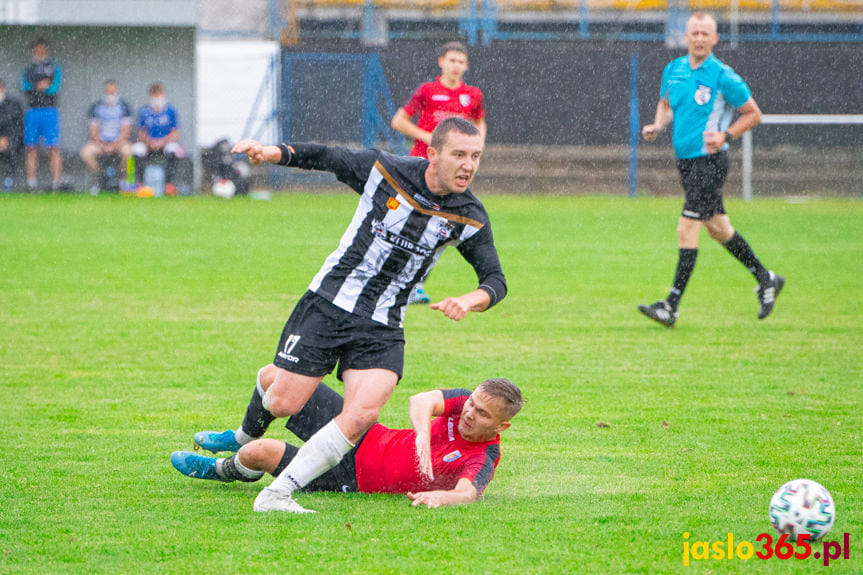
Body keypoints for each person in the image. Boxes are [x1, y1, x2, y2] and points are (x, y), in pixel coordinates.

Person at [194, 116, 507, 513]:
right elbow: (329, 157)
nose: (468, 165)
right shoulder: (386, 171)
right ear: (432, 153)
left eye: (475, 156)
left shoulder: (470, 215)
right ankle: (243, 436)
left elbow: (495, 280)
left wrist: (471, 300)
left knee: (362, 413)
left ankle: (276, 494)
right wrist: (273, 153)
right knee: (283, 401)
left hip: (383, 323)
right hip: (328, 303)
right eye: (459, 154)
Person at [172, 378, 522, 511]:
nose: (469, 413)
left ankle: (225, 469)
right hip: (362, 432)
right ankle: (238, 435)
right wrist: (421, 436)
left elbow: (468, 492)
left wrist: (440, 496)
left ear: (501, 426)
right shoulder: (464, 403)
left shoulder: (484, 454)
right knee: (274, 378)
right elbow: (420, 400)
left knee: (257, 454)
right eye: (472, 403)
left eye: (482, 414)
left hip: (348, 476)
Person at [638, 12, 784, 327]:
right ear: (686, 37)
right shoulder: (673, 70)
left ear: (715, 39)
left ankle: (671, 305)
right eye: (695, 33)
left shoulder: (723, 75)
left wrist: (726, 134)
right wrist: (657, 125)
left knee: (686, 226)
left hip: (710, 162)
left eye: (706, 33)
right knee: (718, 228)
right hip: (687, 163)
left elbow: (753, 113)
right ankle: (766, 277)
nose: (700, 38)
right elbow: (665, 103)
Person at [391, 41, 486, 305]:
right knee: (402, 221)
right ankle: (397, 277)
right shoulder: (428, 91)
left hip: (450, 175)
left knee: (440, 228)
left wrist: (475, 148)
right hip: (420, 169)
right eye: (451, 60)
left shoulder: (472, 95)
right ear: (441, 62)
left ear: (466, 66)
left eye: (460, 61)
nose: (456, 65)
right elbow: (399, 121)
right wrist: (431, 138)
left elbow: (479, 122)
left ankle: (415, 283)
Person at [21, 37, 67, 191]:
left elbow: (55, 88)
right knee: (31, 147)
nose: (39, 51)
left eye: (42, 48)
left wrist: (42, 87)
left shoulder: (54, 68)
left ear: (45, 49)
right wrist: (38, 85)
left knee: (53, 147)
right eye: (37, 48)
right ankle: (31, 183)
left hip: (49, 111)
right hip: (33, 111)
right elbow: (25, 87)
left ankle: (56, 182)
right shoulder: (28, 69)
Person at [80, 80, 133, 193]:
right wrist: (102, 144)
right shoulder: (96, 107)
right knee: (86, 152)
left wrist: (114, 144)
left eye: (112, 92)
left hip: (119, 142)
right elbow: (93, 130)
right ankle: (98, 179)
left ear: (117, 91)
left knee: (129, 152)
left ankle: (126, 182)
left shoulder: (124, 106)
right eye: (108, 92)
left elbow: (126, 131)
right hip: (100, 143)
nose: (110, 95)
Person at [132, 82, 184, 194]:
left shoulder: (170, 111)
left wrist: (162, 142)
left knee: (174, 150)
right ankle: (138, 183)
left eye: (159, 95)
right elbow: (141, 133)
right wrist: (149, 142)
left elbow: (175, 133)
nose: (156, 99)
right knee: (135, 150)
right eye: (154, 96)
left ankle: (169, 184)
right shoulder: (144, 111)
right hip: (149, 144)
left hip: (165, 144)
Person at [0, 78, 25, 190]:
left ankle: (9, 181)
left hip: (11, 139)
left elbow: (16, 125)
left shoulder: (13, 103)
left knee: (11, 150)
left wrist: (7, 138)